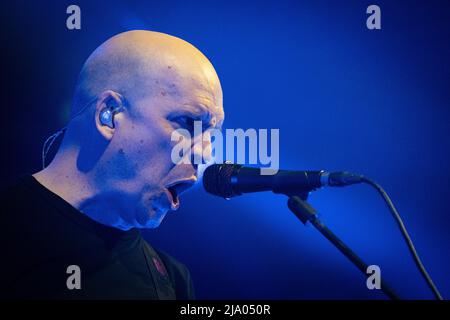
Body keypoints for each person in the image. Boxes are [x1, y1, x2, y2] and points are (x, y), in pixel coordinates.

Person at [0, 30, 224, 299]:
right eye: (188, 123)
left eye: (210, 136)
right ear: (109, 114)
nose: (205, 153)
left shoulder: (173, 280)